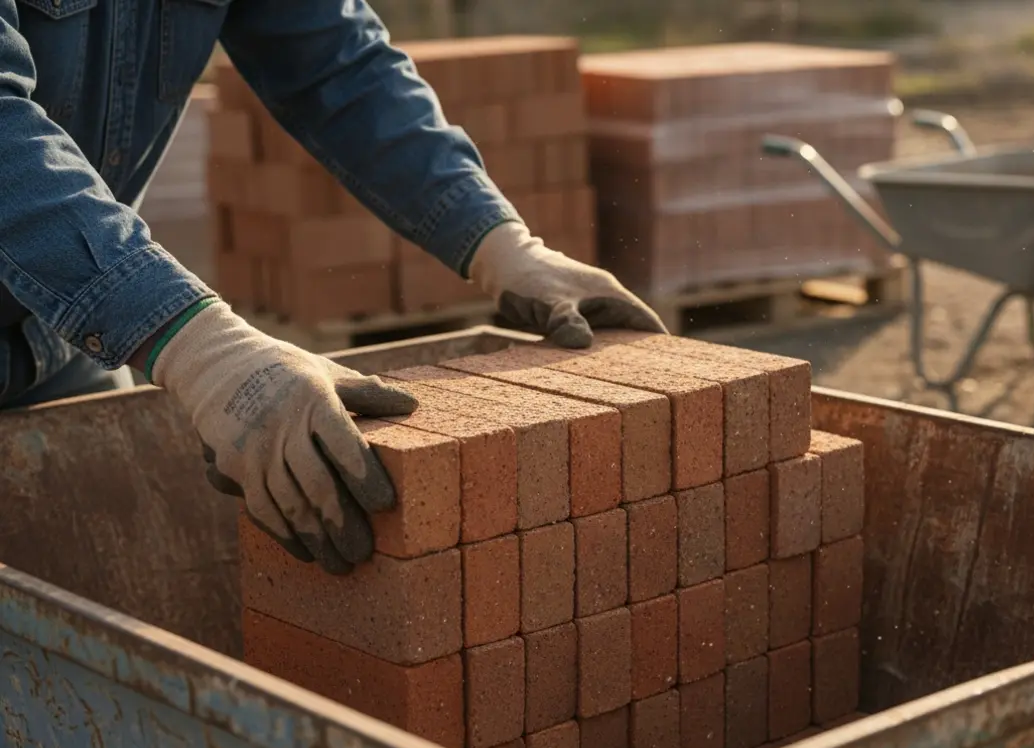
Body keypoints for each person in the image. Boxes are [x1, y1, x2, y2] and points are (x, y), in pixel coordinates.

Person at [0, 0, 666, 575]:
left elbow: (340, 67)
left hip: (60, 345)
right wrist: (199, 348)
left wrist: (500, 244)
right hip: (80, 306)